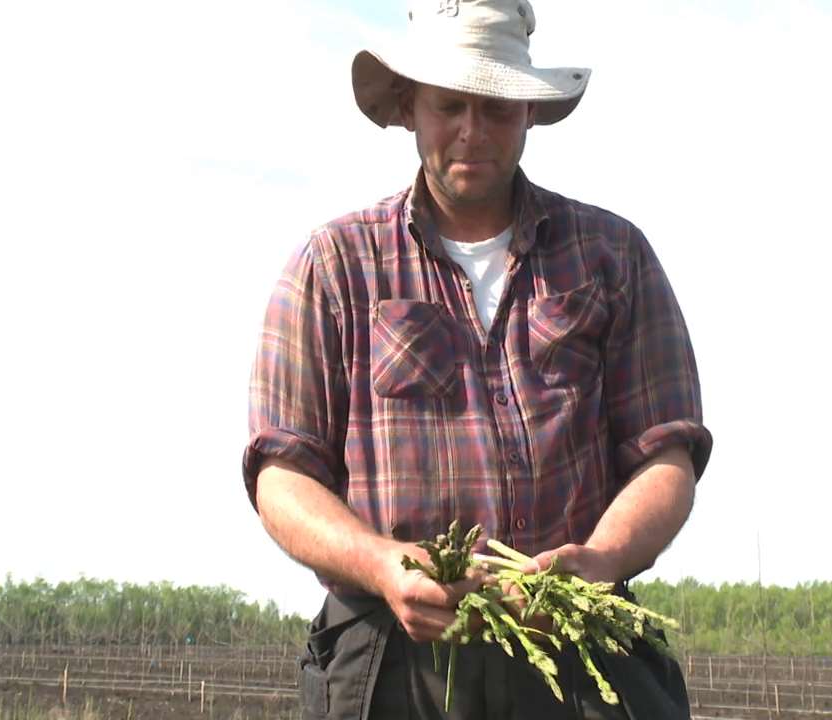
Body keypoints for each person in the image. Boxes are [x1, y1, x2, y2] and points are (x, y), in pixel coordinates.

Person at [242, 1, 713, 718]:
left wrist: (603, 559)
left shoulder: (613, 257)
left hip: (577, 648)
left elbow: (666, 454)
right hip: (393, 660)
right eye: (450, 105)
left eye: (495, 108)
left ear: (529, 113)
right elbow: (282, 473)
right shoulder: (336, 265)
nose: (473, 130)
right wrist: (382, 563)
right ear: (409, 107)